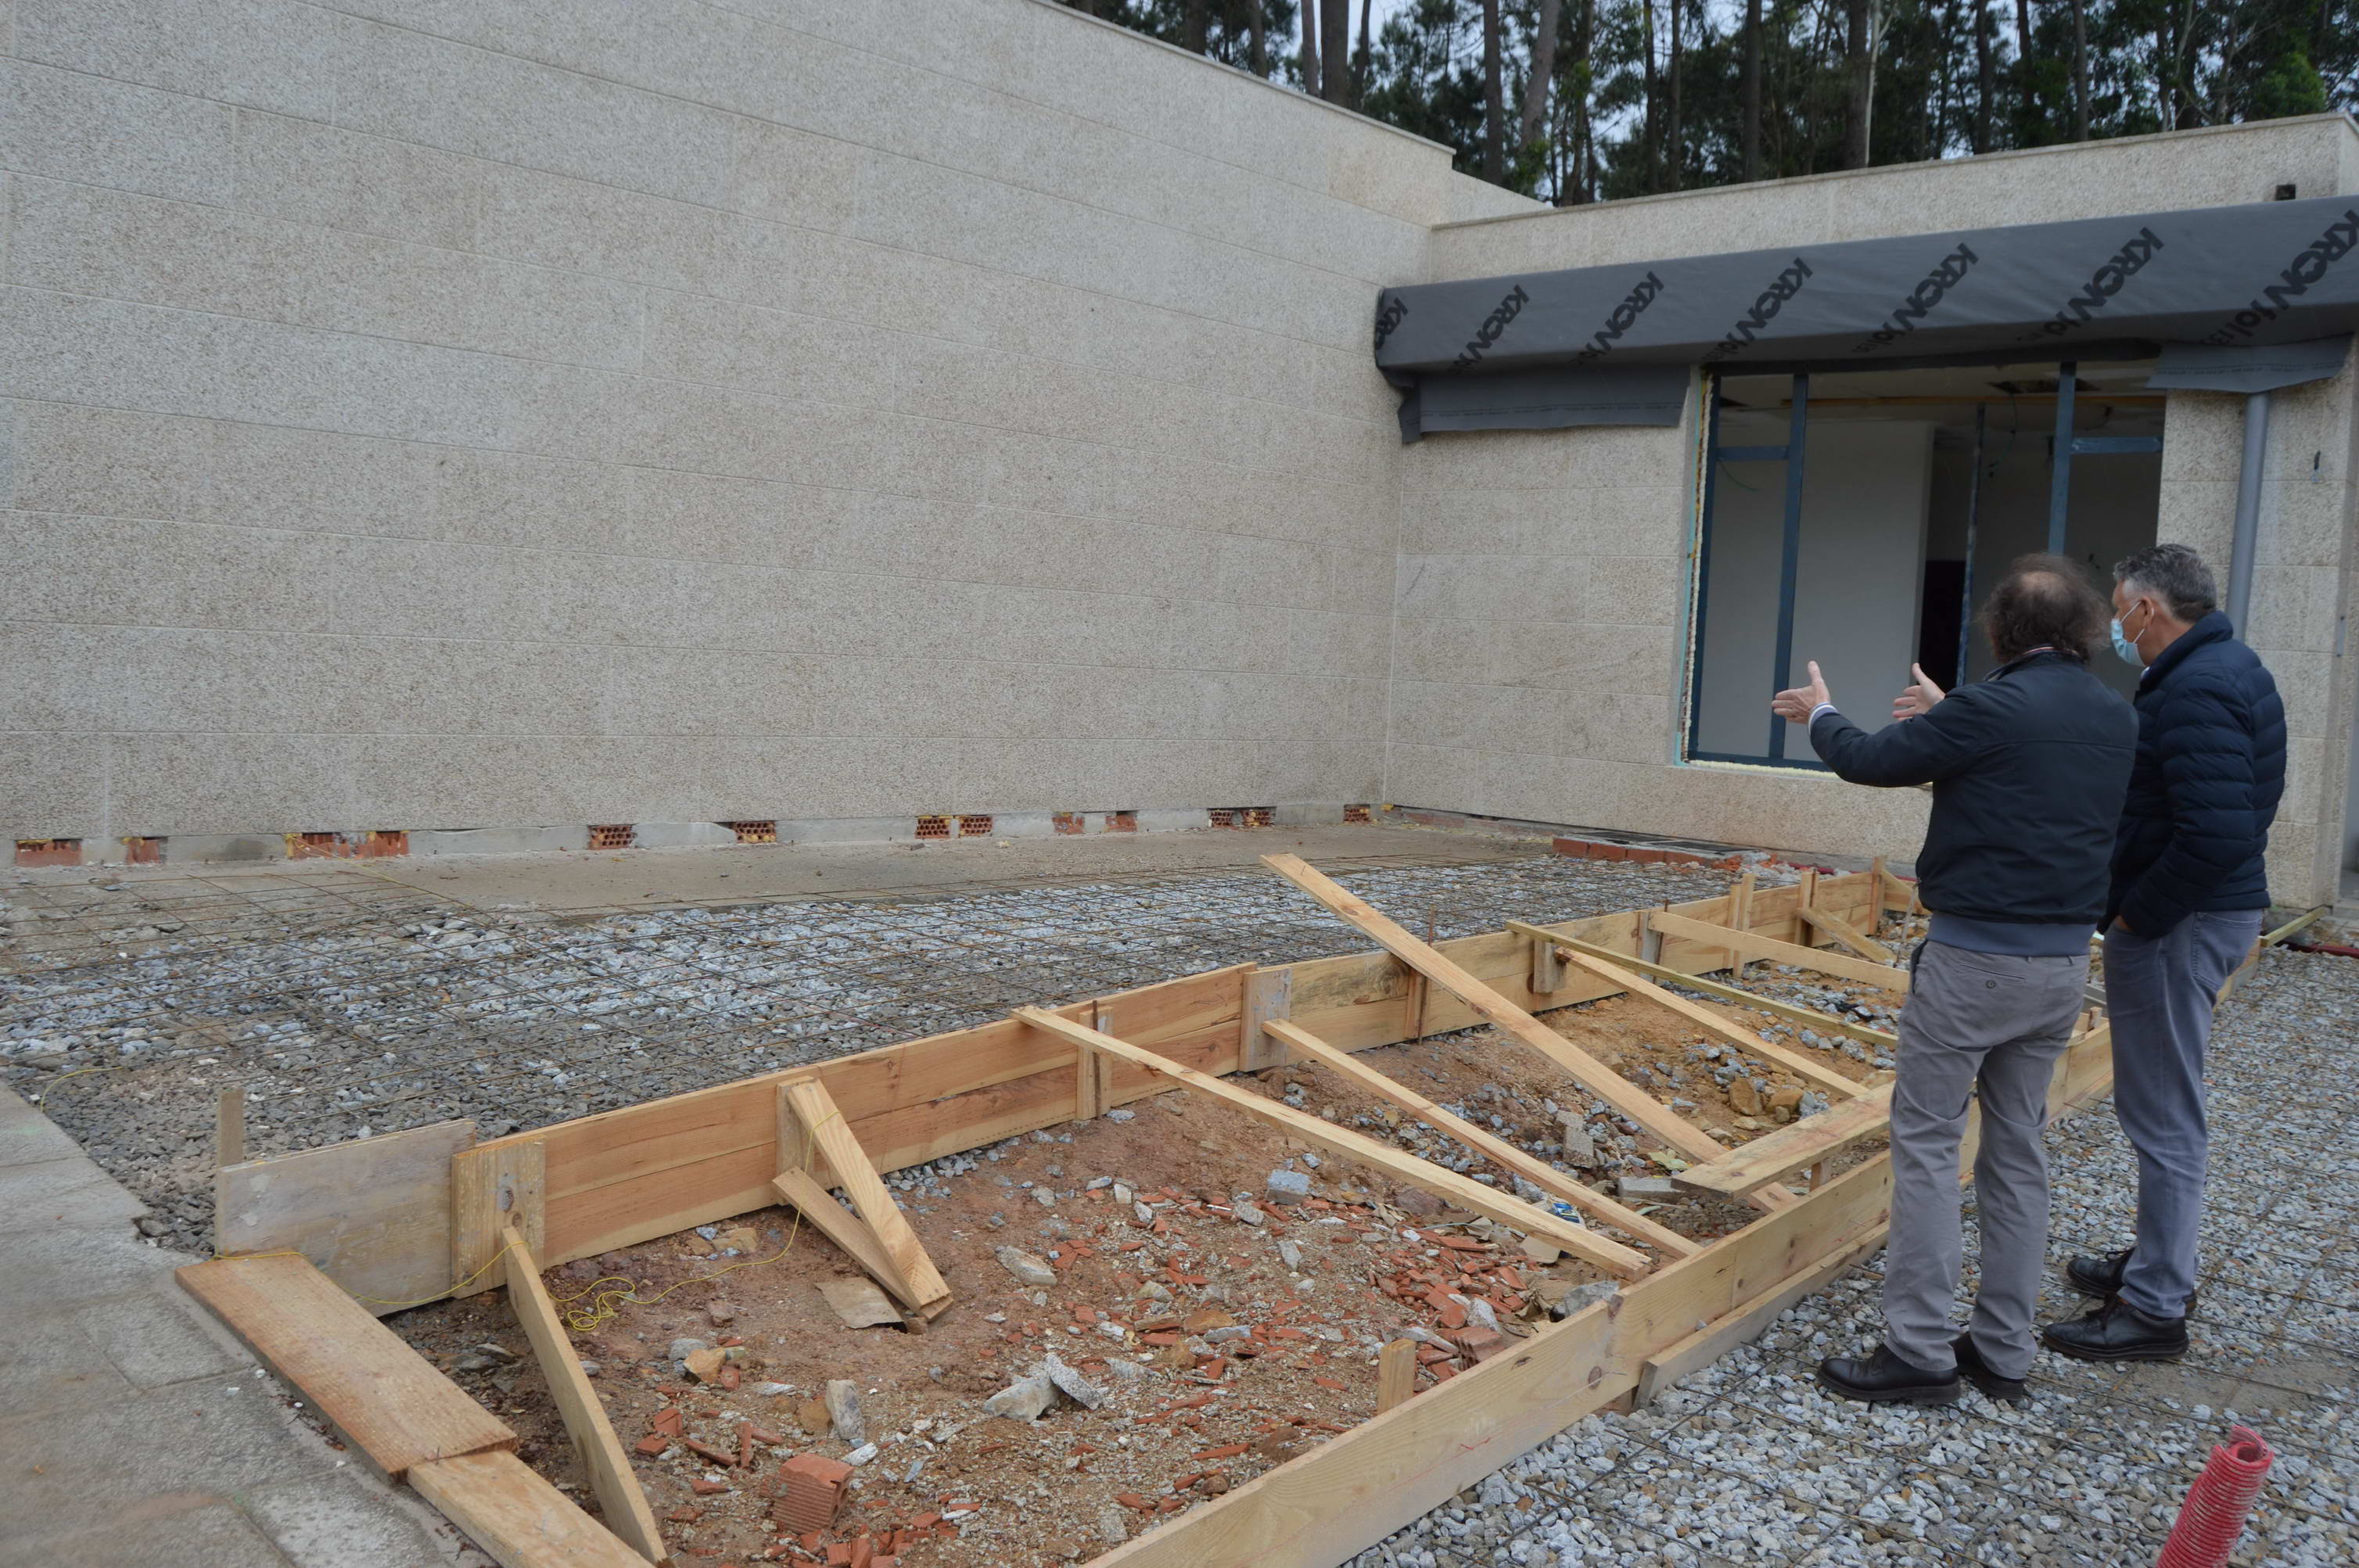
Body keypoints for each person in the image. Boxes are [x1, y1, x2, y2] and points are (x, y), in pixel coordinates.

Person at [1768, 555, 2135, 1405]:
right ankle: (2003, 1352)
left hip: (1974, 963)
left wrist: (1818, 711)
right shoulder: (2113, 717)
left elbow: (1865, 756)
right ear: (2082, 629)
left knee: (1929, 1147)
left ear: (2000, 632)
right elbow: (2022, 776)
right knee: (2017, 1152)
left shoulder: (1991, 707)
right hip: (2057, 969)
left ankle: (1919, 1352)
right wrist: (1952, 718)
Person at [2040, 544, 2285, 1363]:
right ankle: (2153, 1263)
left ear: (2150, 609)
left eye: (2120, 609)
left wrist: (2137, 916)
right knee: (2164, 1106)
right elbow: (2242, 804)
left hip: (2181, 923)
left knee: (2163, 1115)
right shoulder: (2228, 665)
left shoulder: (2196, 688)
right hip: (2207, 911)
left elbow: (2214, 833)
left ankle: (2152, 1309)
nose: (2115, 624)